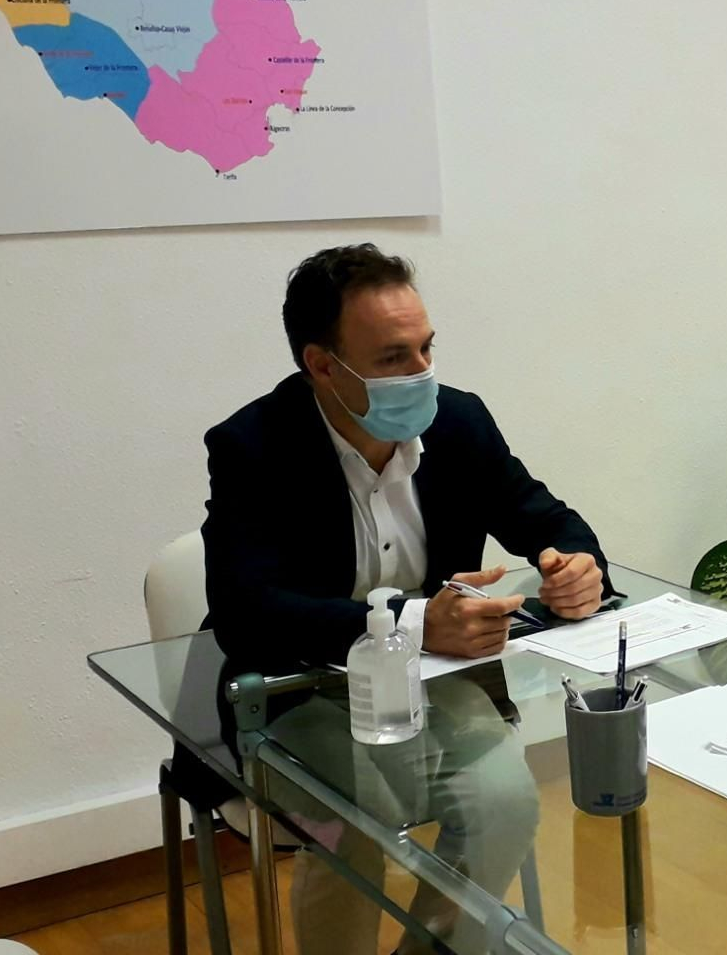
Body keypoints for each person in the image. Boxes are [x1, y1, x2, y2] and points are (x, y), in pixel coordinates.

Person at [201, 243, 614, 954]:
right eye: (393, 358)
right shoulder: (254, 445)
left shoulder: (458, 423)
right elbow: (246, 611)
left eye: (426, 348)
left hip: (433, 688)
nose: (421, 372)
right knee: (363, 813)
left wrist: (576, 563)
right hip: (300, 690)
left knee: (507, 803)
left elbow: (541, 515)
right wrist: (418, 621)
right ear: (322, 365)